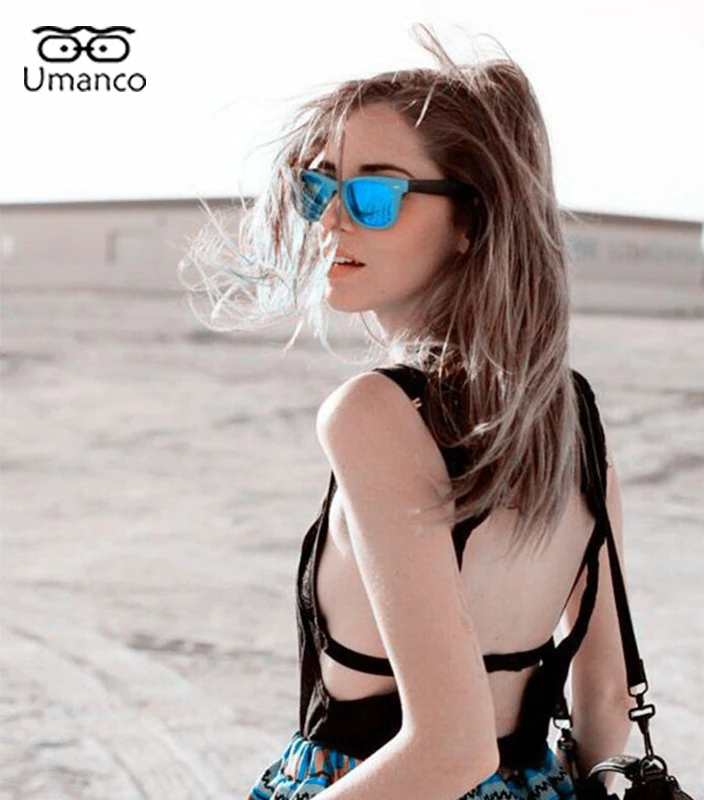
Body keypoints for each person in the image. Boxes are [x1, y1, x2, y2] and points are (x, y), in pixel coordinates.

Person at [180, 23, 633, 800]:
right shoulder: (571, 414)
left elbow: (453, 750)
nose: (332, 220)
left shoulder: (375, 413)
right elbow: (607, 703)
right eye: (319, 187)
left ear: (469, 222)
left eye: (376, 193)